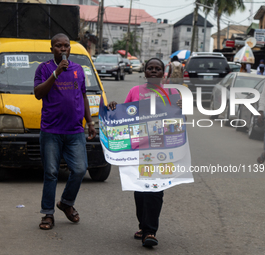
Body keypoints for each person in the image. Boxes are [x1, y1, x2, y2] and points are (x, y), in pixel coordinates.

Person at [108, 58, 183, 247]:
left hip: (161, 150)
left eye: (158, 68)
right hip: (137, 150)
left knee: (155, 190)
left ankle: (150, 232)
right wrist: (114, 109)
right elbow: (124, 115)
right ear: (145, 72)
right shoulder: (135, 91)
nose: (154, 71)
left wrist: (182, 109)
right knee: (140, 191)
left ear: (163, 72)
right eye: (150, 68)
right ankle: (143, 225)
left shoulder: (172, 93)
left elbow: (180, 120)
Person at [34, 33, 96, 230]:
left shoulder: (78, 70)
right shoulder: (44, 69)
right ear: (51, 49)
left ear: (70, 48)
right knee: (51, 172)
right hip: (51, 130)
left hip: (75, 131)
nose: (63, 49)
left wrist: (90, 122)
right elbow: (38, 93)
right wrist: (56, 73)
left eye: (66, 46)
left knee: (79, 169)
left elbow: (84, 96)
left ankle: (66, 203)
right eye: (59, 46)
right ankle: (47, 214)